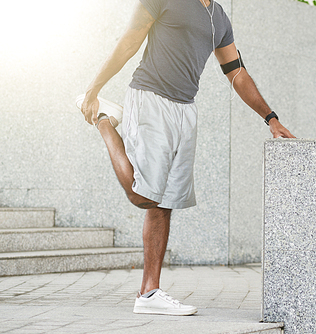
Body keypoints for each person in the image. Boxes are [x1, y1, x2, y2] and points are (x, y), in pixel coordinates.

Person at [79, 0, 295, 316]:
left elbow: (236, 72)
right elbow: (129, 42)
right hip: (150, 97)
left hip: (185, 109)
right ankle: (104, 121)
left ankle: (148, 293)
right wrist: (93, 89)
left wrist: (270, 118)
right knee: (142, 196)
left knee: (164, 203)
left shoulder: (219, 16)